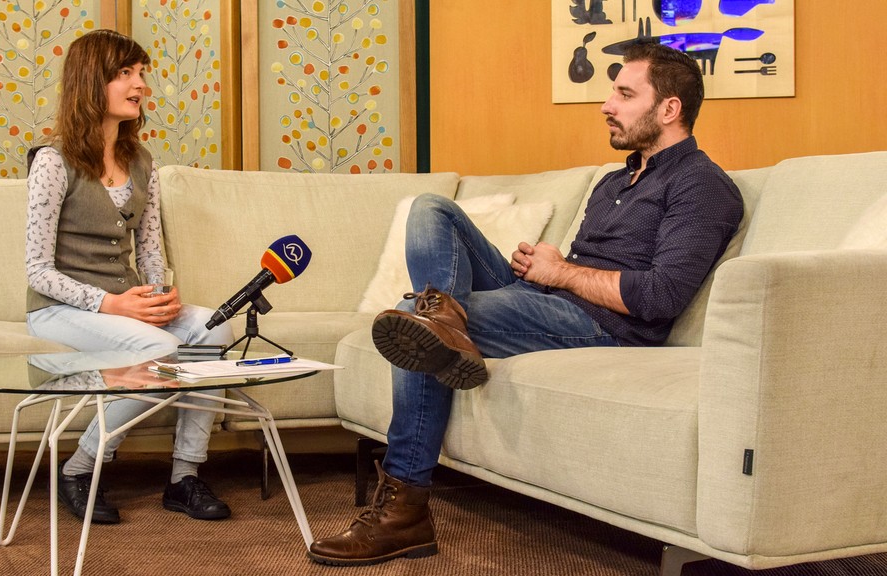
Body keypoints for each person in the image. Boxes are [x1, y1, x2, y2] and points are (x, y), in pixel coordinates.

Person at [307, 42, 744, 566]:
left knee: (414, 320)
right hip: (545, 296)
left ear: (669, 109)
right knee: (433, 210)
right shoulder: (614, 181)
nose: (607, 105)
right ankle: (444, 320)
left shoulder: (702, 185)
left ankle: (405, 512)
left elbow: (660, 296)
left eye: (625, 95)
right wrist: (546, 263)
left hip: (600, 323)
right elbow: (583, 266)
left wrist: (561, 272)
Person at [25, 29, 233, 525]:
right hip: (61, 309)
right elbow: (37, 270)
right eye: (125, 73)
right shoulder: (53, 162)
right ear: (90, 81)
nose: (140, 84)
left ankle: (184, 476)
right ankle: (79, 467)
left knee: (213, 328)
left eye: (140, 73)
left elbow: (150, 247)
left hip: (128, 304)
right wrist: (113, 305)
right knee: (161, 351)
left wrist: (159, 296)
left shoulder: (141, 161)